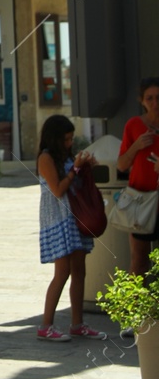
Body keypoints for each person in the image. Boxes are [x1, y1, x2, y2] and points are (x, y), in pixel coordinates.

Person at [36, 114, 104, 342]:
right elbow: (58, 189)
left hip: (75, 218)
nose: (69, 143)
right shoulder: (45, 158)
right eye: (65, 139)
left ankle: (78, 323)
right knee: (62, 272)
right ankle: (46, 325)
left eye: (71, 139)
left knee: (79, 271)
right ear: (54, 138)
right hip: (58, 219)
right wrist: (75, 169)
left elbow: (76, 182)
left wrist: (85, 167)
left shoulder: (65, 156)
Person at [116, 77, 159, 273]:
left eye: (158, 97)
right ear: (142, 101)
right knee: (139, 261)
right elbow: (122, 165)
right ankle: (136, 303)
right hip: (141, 200)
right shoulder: (133, 125)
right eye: (149, 98)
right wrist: (136, 146)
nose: (155, 103)